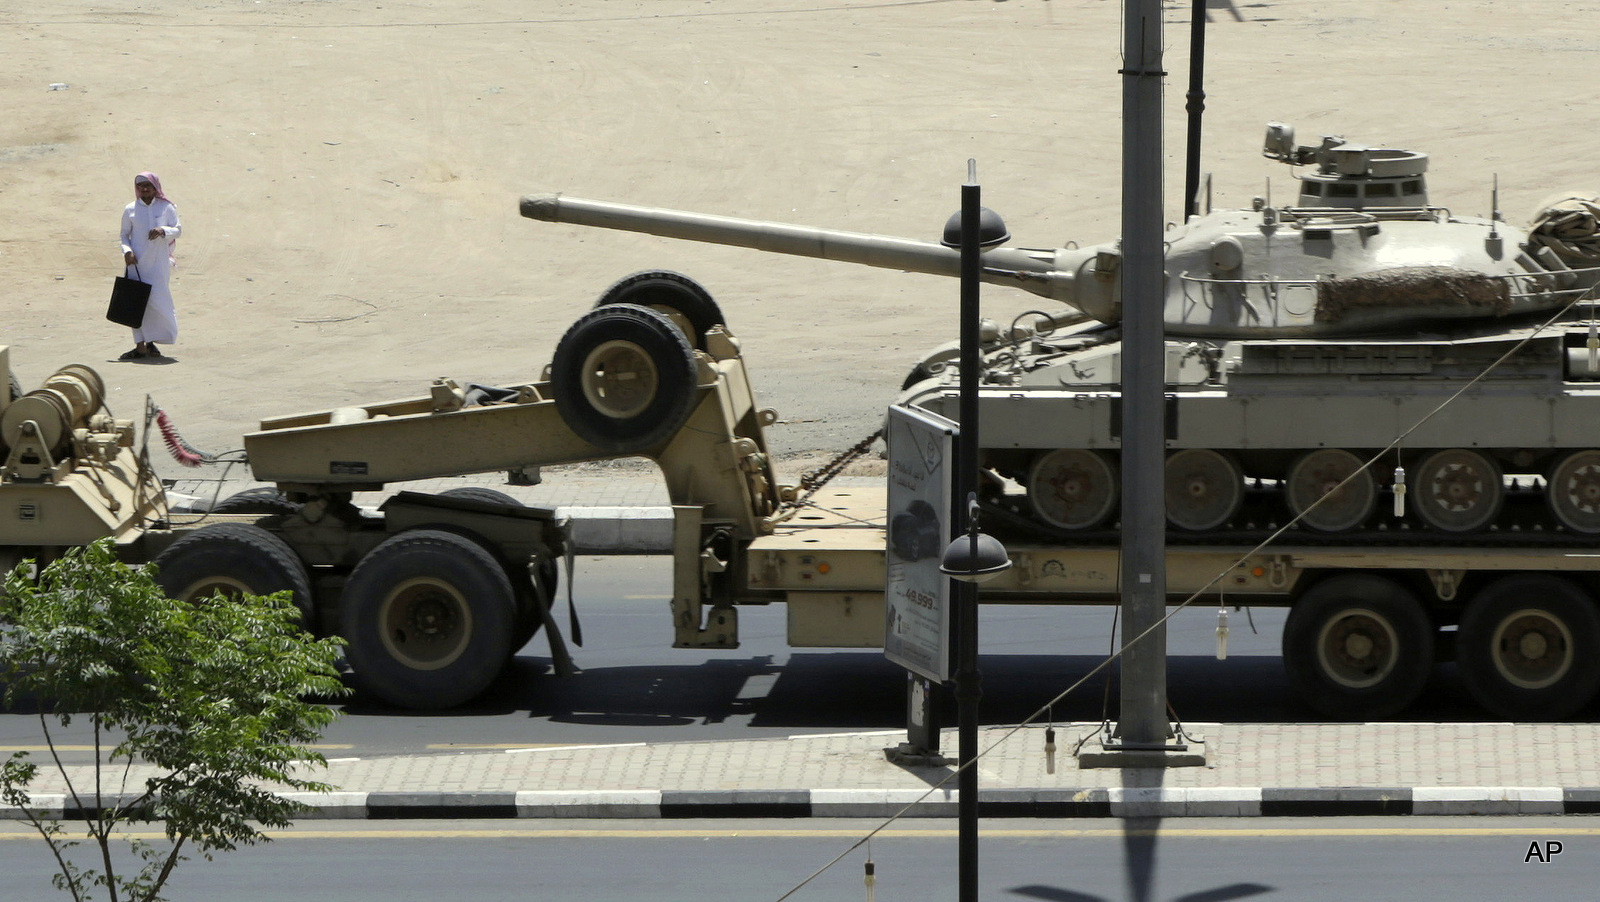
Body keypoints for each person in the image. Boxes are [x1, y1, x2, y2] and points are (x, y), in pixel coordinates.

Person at [118, 172, 181, 359]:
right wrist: (127, 251)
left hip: (158, 266)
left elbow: (178, 230)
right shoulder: (130, 209)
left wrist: (163, 230)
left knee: (157, 304)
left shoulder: (166, 207)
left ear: (155, 188)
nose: (144, 188)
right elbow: (123, 235)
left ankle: (152, 343)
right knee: (136, 304)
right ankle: (140, 346)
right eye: (141, 186)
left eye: (148, 185)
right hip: (136, 265)